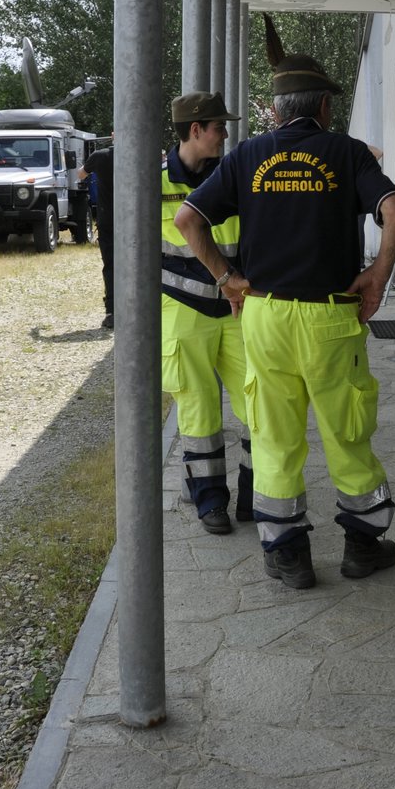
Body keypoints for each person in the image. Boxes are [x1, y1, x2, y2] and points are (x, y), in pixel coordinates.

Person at [174, 22, 395, 590]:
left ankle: (288, 554)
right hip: (331, 317)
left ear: (279, 110)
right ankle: (362, 545)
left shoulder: (247, 155)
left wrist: (229, 279)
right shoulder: (348, 153)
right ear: (326, 106)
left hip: (263, 314)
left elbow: (189, 219)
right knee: (347, 433)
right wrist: (378, 276)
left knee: (275, 438)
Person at [160, 92, 250, 534]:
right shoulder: (151, 182)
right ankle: (210, 502)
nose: (226, 133)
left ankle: (256, 493)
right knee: (198, 414)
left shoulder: (233, 177)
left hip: (236, 309)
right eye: (219, 126)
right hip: (181, 311)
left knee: (261, 402)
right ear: (195, 130)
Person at [83, 139, 114, 329]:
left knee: (111, 265)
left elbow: (80, 174)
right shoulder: (143, 155)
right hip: (138, 221)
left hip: (108, 220)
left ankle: (112, 312)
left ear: (113, 135)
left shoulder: (100, 156)